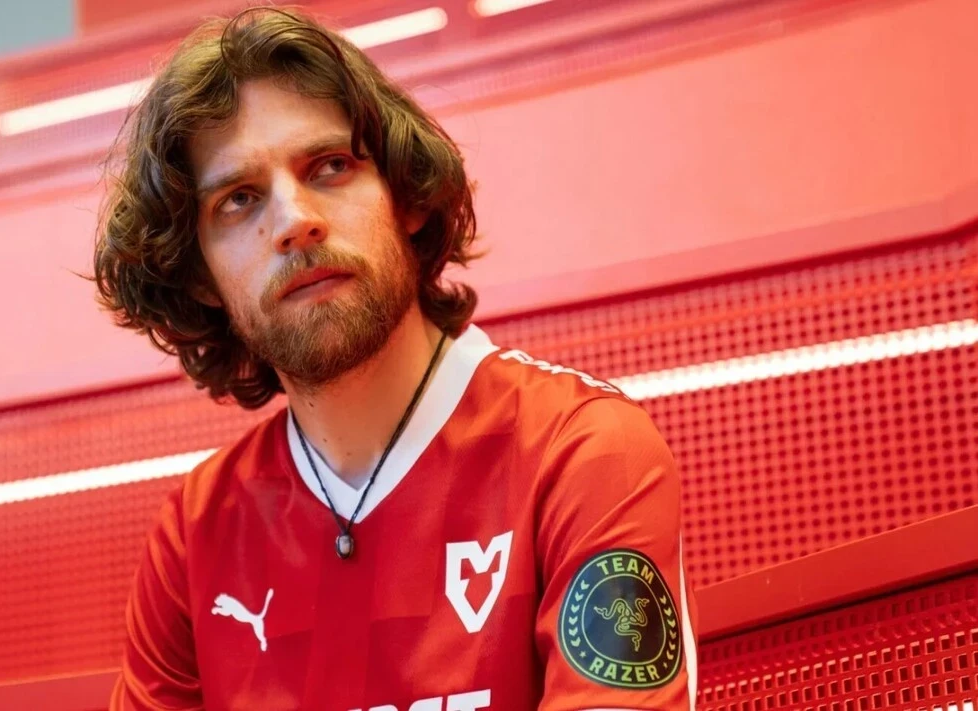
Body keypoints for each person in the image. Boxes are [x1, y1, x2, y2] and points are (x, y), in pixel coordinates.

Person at [94, 7, 697, 710]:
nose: (294, 221)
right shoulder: (193, 538)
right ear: (200, 275)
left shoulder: (580, 450)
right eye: (238, 199)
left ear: (405, 197)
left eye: (330, 166)